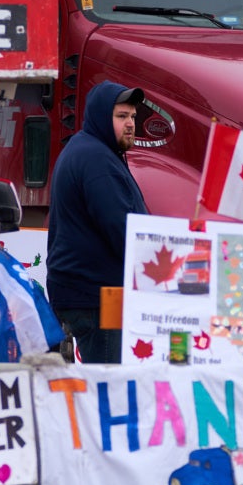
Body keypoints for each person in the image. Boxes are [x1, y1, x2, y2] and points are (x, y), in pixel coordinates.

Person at [46, 82, 148, 363]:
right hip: (96, 299)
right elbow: (123, 230)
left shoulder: (92, 150)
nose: (130, 124)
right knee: (108, 390)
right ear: (103, 117)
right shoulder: (97, 160)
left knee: (102, 386)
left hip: (88, 295)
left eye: (133, 117)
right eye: (121, 116)